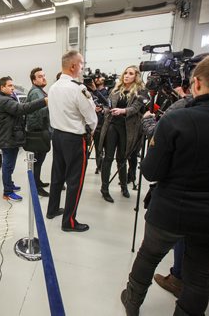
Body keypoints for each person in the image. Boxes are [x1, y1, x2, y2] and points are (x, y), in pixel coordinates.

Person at [121, 54, 209, 316]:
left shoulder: (178, 119)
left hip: (172, 210)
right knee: (200, 278)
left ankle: (132, 302)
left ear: (196, 83)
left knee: (149, 256)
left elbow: (151, 170)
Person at [46, 50, 97, 232]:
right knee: (75, 180)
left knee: (57, 175)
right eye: (81, 64)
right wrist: (92, 128)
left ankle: (52, 210)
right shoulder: (78, 89)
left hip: (57, 135)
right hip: (74, 139)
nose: (83, 68)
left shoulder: (53, 87)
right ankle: (69, 222)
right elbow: (91, 117)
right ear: (73, 66)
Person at [0, 76, 47, 202]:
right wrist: (43, 102)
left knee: (10, 165)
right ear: (2, 87)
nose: (13, 88)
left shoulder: (5, 98)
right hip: (7, 139)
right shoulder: (4, 100)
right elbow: (21, 109)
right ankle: (7, 192)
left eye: (12, 85)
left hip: (9, 137)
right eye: (9, 86)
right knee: (8, 165)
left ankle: (9, 184)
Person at [98, 66, 146, 203]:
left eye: (130, 73)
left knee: (122, 158)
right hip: (112, 125)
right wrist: (104, 110)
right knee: (108, 158)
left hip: (127, 128)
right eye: (125, 72)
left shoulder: (140, 91)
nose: (126, 75)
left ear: (136, 76)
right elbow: (109, 106)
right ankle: (104, 189)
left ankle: (124, 186)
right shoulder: (115, 90)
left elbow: (136, 108)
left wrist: (123, 111)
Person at [26, 67, 51, 197]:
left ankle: (38, 182)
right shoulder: (36, 92)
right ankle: (36, 187)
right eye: (40, 76)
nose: (44, 78)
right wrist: (53, 105)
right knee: (37, 161)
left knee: (39, 161)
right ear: (34, 80)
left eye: (44, 75)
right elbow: (39, 112)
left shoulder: (39, 91)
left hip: (39, 130)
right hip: (37, 131)